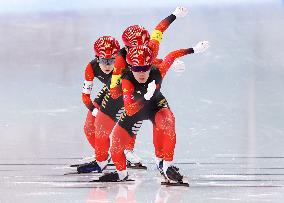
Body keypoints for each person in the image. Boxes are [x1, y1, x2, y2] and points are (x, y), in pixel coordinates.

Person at [87, 7, 189, 173]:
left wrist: (175, 14)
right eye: (133, 51)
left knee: (161, 120)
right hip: (121, 90)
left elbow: (159, 30)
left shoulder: (151, 47)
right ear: (126, 49)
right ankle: (106, 158)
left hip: (141, 90)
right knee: (101, 126)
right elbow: (114, 91)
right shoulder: (120, 61)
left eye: (143, 49)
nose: (139, 53)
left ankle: (150, 157)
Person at [98, 41, 210, 182]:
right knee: (116, 145)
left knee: (168, 122)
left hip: (155, 106)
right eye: (136, 69)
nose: (141, 73)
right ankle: (121, 173)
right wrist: (145, 97)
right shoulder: (126, 81)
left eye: (145, 68)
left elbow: (171, 56)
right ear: (130, 68)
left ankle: (166, 165)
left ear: (151, 65)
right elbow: (130, 110)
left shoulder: (159, 71)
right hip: (135, 108)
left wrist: (193, 49)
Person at [77, 36, 120, 173]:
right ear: (97, 58)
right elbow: (85, 97)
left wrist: (171, 63)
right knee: (89, 128)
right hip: (109, 90)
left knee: (101, 128)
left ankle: (101, 161)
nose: (107, 65)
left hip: (124, 95)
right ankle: (103, 156)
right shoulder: (91, 67)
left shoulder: (125, 63)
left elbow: (148, 60)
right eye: (103, 60)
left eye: (111, 60)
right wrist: (94, 111)